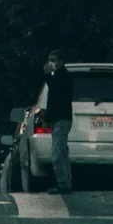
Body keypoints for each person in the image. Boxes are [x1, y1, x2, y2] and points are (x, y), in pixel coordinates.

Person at [43, 52, 75, 194]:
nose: (51, 63)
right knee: (62, 152)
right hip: (57, 119)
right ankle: (66, 181)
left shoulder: (65, 77)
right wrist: (46, 119)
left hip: (62, 119)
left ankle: (63, 183)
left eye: (54, 60)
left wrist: (48, 76)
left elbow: (58, 90)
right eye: (49, 60)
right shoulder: (56, 77)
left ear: (61, 62)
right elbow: (52, 101)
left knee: (57, 154)